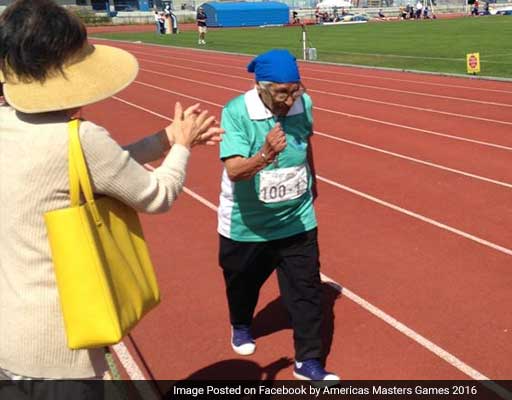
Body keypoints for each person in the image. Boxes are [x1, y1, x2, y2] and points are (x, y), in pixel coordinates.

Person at [0, 0, 223, 389]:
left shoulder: (8, 125)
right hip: (61, 350)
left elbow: (88, 169)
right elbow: (157, 195)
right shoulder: (80, 138)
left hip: (8, 339)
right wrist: (183, 146)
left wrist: (165, 139)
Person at [216, 49, 339, 384]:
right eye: (282, 92)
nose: (289, 98)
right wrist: (265, 154)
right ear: (261, 87)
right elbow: (235, 170)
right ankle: (240, 324)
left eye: (295, 89)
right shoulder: (236, 111)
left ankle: (308, 361)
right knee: (242, 286)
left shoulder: (303, 103)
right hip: (247, 225)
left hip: (296, 220)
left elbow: (306, 144)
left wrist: (312, 180)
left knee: (307, 291)